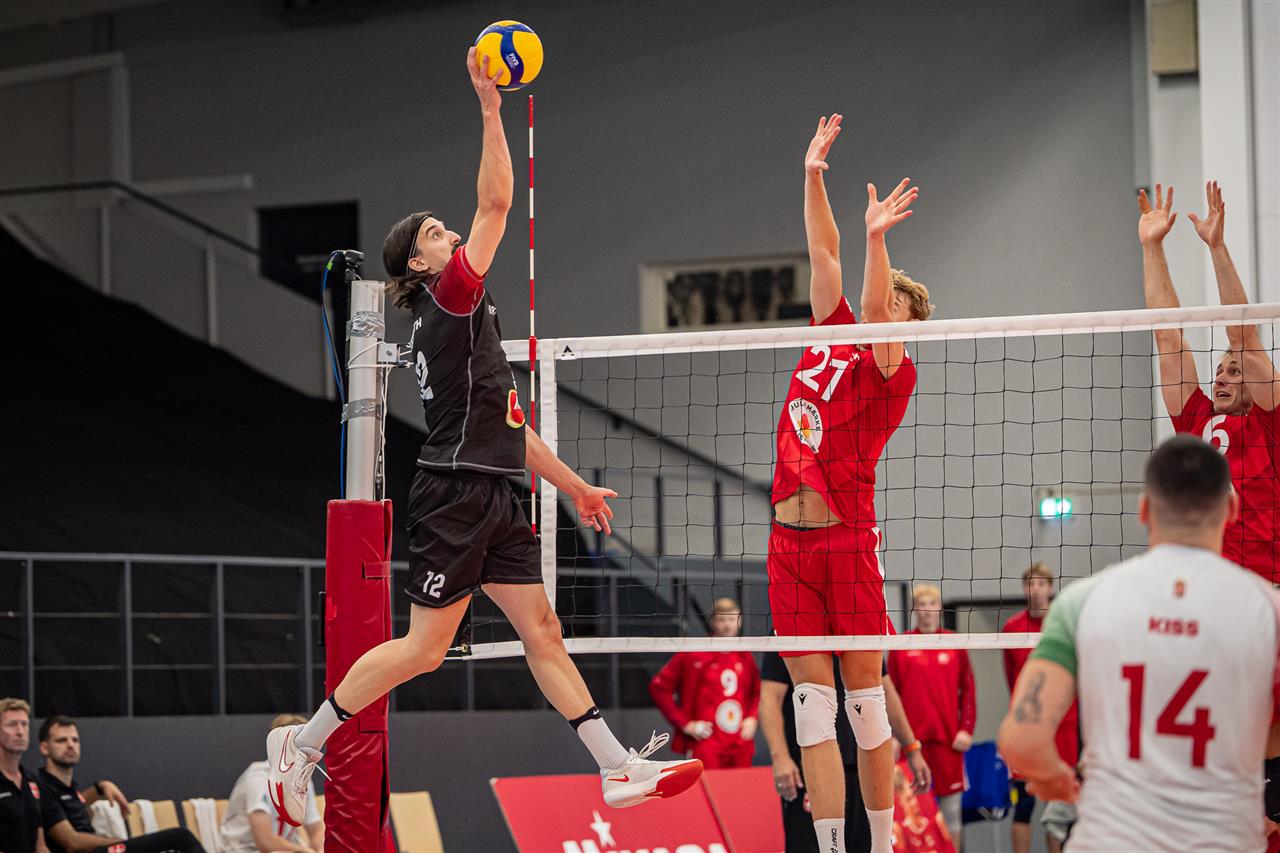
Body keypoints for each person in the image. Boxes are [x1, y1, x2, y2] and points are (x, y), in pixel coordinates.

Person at [267, 47, 702, 826]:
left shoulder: (472, 317)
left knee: (544, 628)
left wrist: (573, 485)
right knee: (424, 649)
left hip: (497, 490)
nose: (451, 234)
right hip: (455, 493)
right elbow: (497, 204)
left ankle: (616, 767)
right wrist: (492, 108)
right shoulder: (451, 298)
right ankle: (301, 745)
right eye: (438, 232)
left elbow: (513, 426)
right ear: (420, 261)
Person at [768, 112, 932, 853]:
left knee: (866, 711)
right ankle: (832, 848)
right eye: (885, 294)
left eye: (896, 303)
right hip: (788, 545)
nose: (882, 303)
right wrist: (812, 177)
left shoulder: (893, 370)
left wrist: (878, 239)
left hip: (847, 542)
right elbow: (823, 249)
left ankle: (883, 844)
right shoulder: (828, 329)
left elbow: (872, 308)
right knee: (811, 712)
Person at [997, 435, 1280, 852]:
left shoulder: (1084, 600)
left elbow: (1022, 741)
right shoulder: (1268, 610)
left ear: (1144, 509)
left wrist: (1058, 781)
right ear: (1232, 510)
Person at [1139, 181, 1280, 583]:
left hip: (1267, 583)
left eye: (1234, 372)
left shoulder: (1271, 424)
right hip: (1209, 581)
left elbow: (1244, 337)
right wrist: (1152, 247)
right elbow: (1168, 338)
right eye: (1219, 369)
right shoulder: (1197, 420)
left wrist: (1217, 247)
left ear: (1255, 384)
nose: (1221, 376)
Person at [760, 652, 931, 853]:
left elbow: (885, 689)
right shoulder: (782, 637)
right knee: (814, 704)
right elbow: (770, 699)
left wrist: (911, 747)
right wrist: (780, 757)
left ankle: (883, 848)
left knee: (869, 702)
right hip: (810, 772)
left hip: (860, 766)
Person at [887, 585, 975, 847]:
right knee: (911, 813)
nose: (926, 610)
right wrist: (893, 736)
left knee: (951, 815)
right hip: (911, 745)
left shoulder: (953, 643)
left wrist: (966, 729)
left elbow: (968, 690)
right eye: (921, 604)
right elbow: (890, 693)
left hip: (948, 743)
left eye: (931, 604)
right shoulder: (902, 645)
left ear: (939, 607)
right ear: (914, 609)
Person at [37, 715, 204, 853]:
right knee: (180, 838)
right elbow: (72, 842)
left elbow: (75, 804)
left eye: (75, 740)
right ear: (44, 748)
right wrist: (119, 842)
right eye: (61, 740)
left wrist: (101, 787)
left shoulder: (67, 788)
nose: (70, 745)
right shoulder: (42, 787)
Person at [1000, 564, 1077, 853]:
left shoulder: (1063, 623)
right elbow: (1012, 678)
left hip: (1064, 726)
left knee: (1059, 809)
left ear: (1050, 587)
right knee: (1023, 804)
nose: (1035, 589)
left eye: (1041, 584)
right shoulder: (1012, 628)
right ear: (1025, 588)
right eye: (1030, 584)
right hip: (1028, 726)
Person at [648, 598, 760, 769]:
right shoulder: (694, 653)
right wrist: (685, 723)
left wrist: (752, 717)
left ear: (740, 620)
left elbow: (758, 692)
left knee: (741, 785)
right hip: (706, 740)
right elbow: (659, 687)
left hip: (740, 741)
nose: (727, 625)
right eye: (722, 620)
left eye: (732, 619)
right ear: (713, 621)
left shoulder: (745, 655)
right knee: (707, 784)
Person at [224, 715, 322, 852]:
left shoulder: (302, 777)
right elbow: (265, 841)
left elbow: (316, 830)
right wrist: (305, 851)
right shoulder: (258, 778)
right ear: (279, 744)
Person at [0, 698, 56, 853]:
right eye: (12, 725)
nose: (20, 732)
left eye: (24, 724)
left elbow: (40, 845)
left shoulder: (32, 781)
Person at [890, 765, 955, 853]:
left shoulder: (936, 822)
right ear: (901, 803)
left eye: (913, 796)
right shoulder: (899, 831)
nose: (914, 802)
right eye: (908, 799)